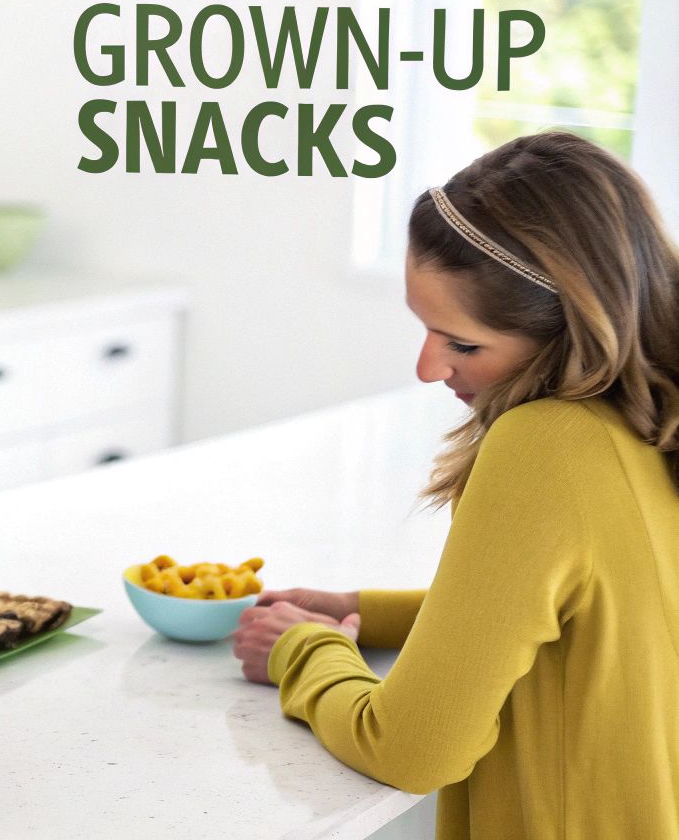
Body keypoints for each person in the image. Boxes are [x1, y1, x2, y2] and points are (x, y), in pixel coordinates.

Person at [230, 131, 679, 838]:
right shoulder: (652, 426)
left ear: (574, 329)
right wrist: (361, 610)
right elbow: (589, 624)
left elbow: (413, 747)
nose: (428, 368)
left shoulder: (548, 444)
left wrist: (303, 651)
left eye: (462, 343)